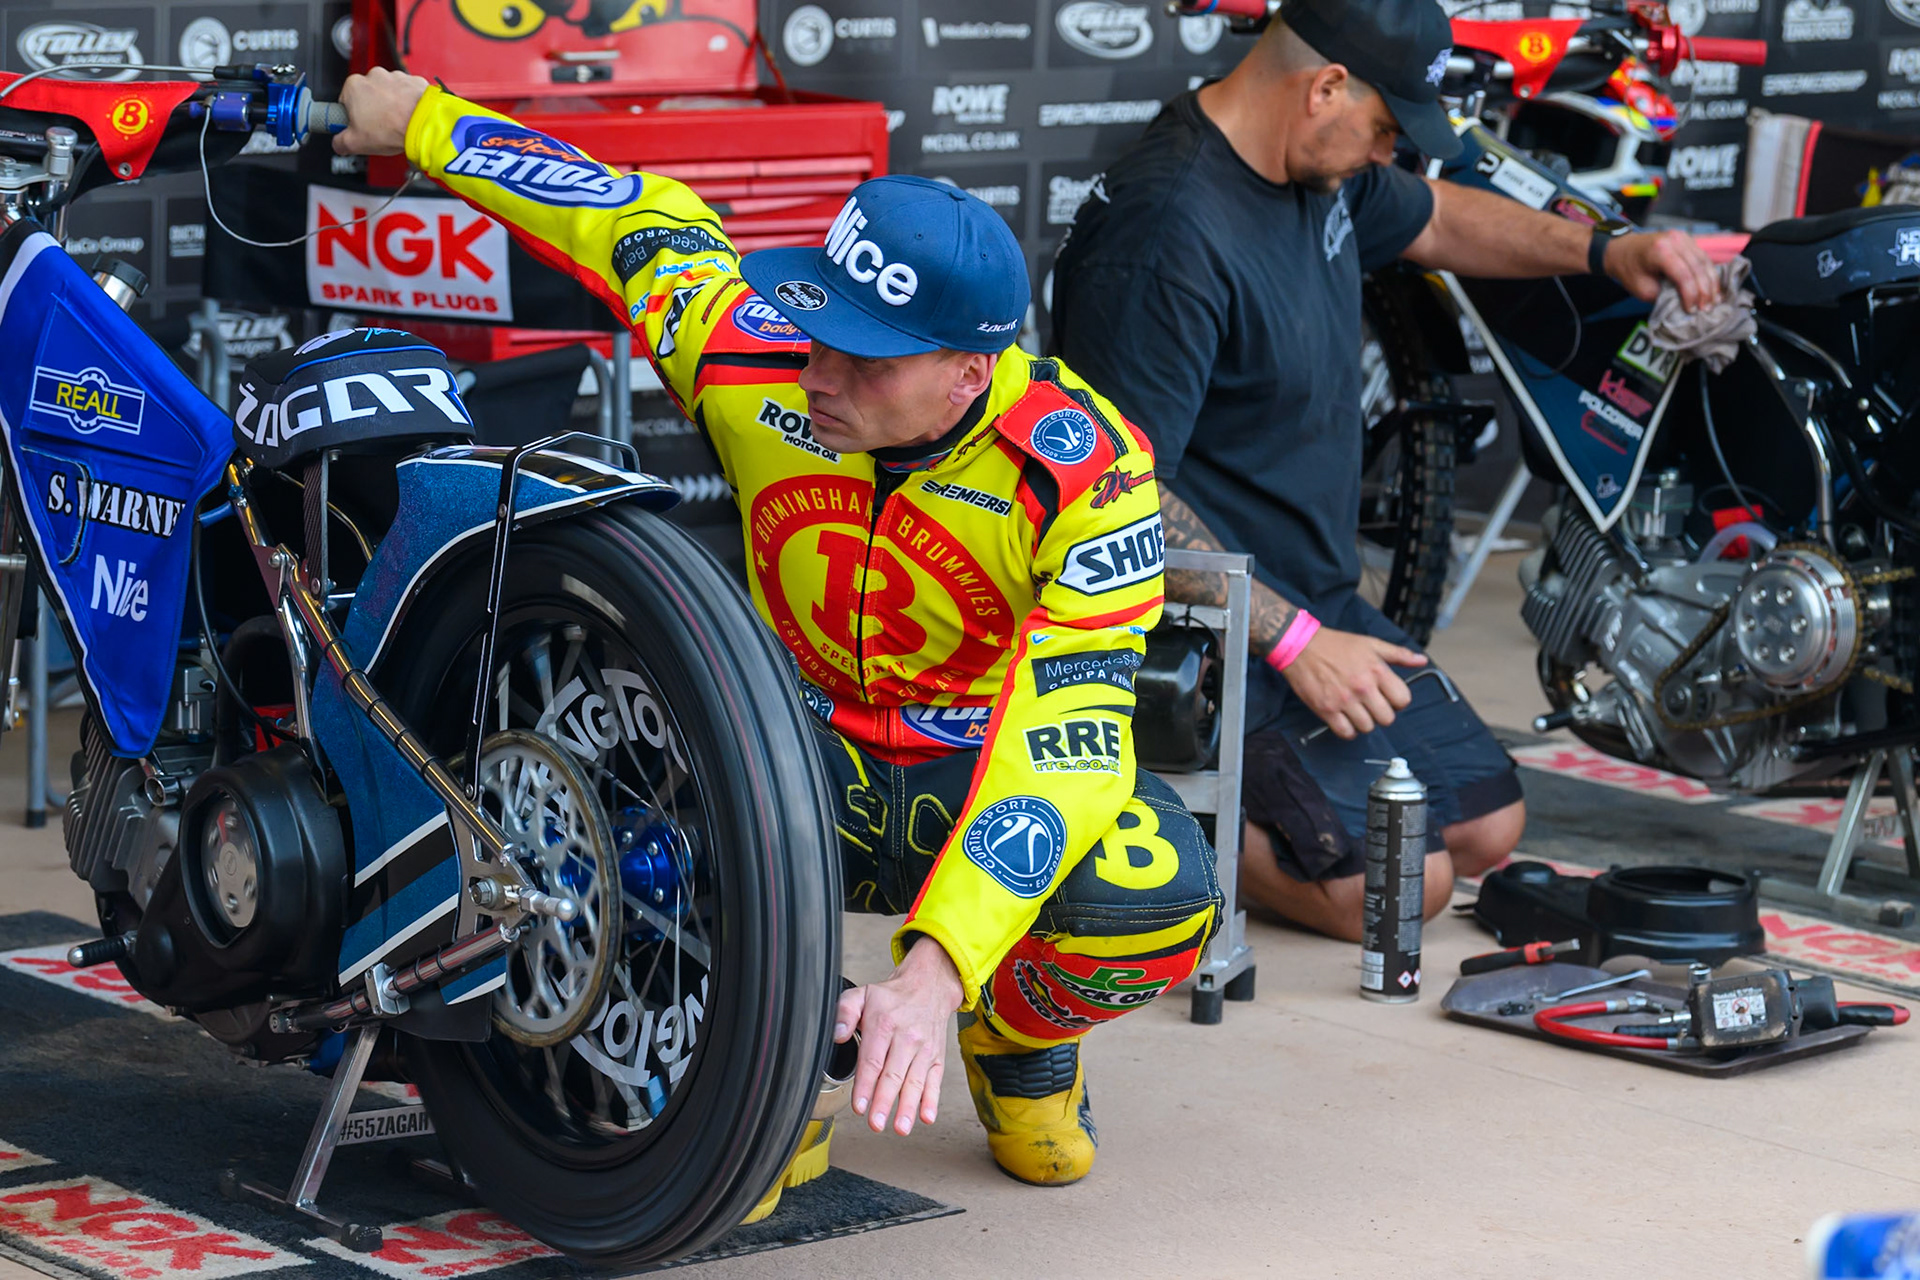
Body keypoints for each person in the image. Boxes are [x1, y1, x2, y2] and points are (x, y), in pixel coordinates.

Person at [334, 71, 1223, 1207]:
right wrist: (420, 122)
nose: (817, 374)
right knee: (623, 823)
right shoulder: (745, 351)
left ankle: (1011, 1030)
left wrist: (940, 970)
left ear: (971, 369)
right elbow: (626, 218)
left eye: (867, 358)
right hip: (796, 753)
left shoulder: (1084, 469)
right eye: (818, 328)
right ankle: (777, 1054)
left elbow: (1071, 735)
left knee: (1150, 892)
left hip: (973, 766)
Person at [1049, 0, 1721, 943]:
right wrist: (1292, 644)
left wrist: (1607, 251)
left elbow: (1437, 217)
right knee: (1405, 890)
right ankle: (1126, 805)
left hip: (1316, 601)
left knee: (1490, 828)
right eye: (1385, 130)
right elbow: (1109, 498)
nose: (1385, 155)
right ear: (1324, 86)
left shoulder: (1313, 167)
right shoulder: (1166, 234)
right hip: (1203, 639)